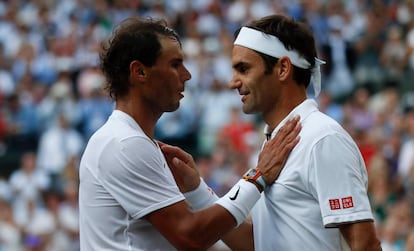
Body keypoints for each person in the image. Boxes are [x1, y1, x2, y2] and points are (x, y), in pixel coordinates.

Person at [78, 17, 301, 250]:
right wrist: (258, 177)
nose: (187, 75)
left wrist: (197, 189)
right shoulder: (125, 143)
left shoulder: (129, 140)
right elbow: (190, 238)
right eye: (175, 64)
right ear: (140, 72)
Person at [162, 14, 383, 250]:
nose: (232, 82)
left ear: (283, 69)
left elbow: (365, 244)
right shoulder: (275, 142)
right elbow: (256, 243)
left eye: (243, 69)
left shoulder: (322, 138)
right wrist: (198, 190)